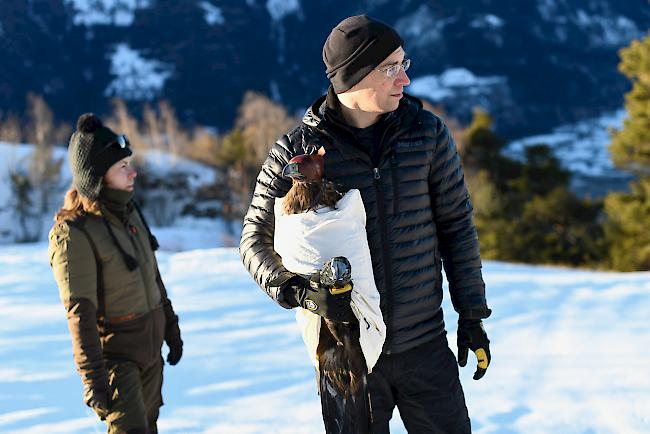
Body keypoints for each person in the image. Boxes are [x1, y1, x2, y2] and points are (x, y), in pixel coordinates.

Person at [240, 14, 491, 433]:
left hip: (425, 348)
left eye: (403, 64)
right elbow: (253, 240)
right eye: (390, 68)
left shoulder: (426, 135)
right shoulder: (297, 151)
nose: (405, 79)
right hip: (346, 354)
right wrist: (296, 291)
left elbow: (457, 227)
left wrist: (472, 314)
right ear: (353, 78)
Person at [48, 113, 183, 434]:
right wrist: (93, 379)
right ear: (96, 175)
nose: (133, 172)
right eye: (122, 167)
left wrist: (171, 327)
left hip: (150, 355)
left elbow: (153, 276)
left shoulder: (130, 211)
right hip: (117, 361)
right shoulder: (74, 233)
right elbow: (79, 313)